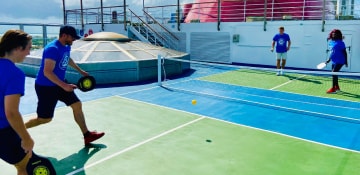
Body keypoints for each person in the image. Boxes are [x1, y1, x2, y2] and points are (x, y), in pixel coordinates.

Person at [25, 25, 104, 145]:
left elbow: (67, 59)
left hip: (59, 83)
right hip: (46, 87)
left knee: (77, 104)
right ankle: (17, 129)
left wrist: (80, 70)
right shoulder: (52, 49)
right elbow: (47, 72)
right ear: (64, 35)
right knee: (44, 119)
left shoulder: (66, 46)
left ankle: (87, 135)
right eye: (72, 37)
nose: (74, 40)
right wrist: (64, 86)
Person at [0, 29, 34, 174]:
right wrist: (26, 138)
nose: (29, 53)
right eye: (28, 48)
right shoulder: (15, 74)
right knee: (23, 164)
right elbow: (12, 113)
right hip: (3, 131)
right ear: (18, 48)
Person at [325, 29, 347, 94]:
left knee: (334, 73)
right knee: (334, 74)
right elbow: (332, 52)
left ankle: (333, 88)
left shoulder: (341, 43)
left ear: (338, 34)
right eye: (333, 33)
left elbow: (344, 52)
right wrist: (329, 60)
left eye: (335, 33)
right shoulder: (331, 42)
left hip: (340, 60)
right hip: (334, 60)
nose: (333, 34)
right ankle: (337, 86)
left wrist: (346, 61)